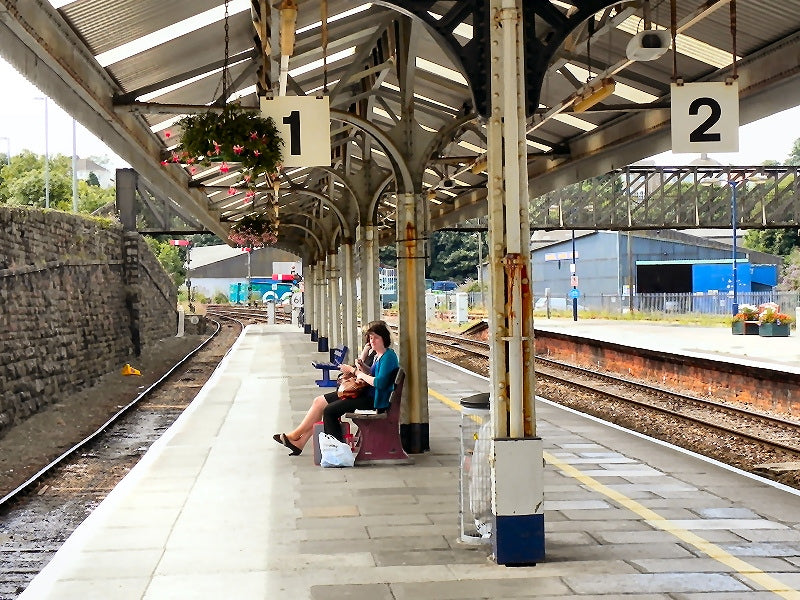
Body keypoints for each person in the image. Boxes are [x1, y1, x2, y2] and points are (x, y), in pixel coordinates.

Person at [273, 321, 397, 455]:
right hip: (366, 394)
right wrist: (363, 366)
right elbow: (373, 374)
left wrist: (355, 371)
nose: (372, 341)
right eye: (370, 337)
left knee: (330, 411)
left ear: (384, 338)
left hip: (374, 400)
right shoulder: (379, 356)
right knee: (319, 402)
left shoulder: (388, 357)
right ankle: (298, 441)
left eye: (375, 337)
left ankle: (336, 452)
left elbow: (379, 383)